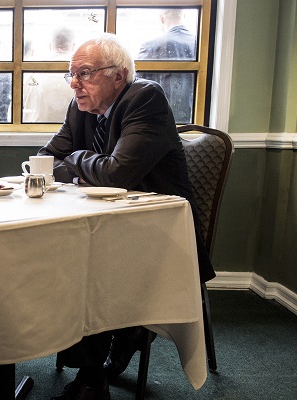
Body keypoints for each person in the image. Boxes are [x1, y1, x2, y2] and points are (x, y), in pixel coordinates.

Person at [37, 33, 215, 400]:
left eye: (84, 73)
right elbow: (44, 160)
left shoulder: (144, 98)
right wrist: (83, 164)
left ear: (118, 75)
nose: (74, 83)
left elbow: (117, 174)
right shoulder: (80, 106)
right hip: (106, 224)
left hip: (159, 237)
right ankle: (108, 346)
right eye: (71, 73)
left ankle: (93, 376)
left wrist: (75, 160)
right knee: (67, 257)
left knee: (89, 266)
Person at [137, 9, 197, 123]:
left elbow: (137, 87)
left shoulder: (150, 46)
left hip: (158, 122)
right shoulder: (199, 45)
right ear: (183, 16)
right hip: (193, 121)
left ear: (162, 19)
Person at [23, 27, 76, 123]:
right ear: (73, 46)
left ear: (50, 45)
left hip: (35, 130)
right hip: (72, 133)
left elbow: (19, 104)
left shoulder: (33, 72)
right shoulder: (80, 74)